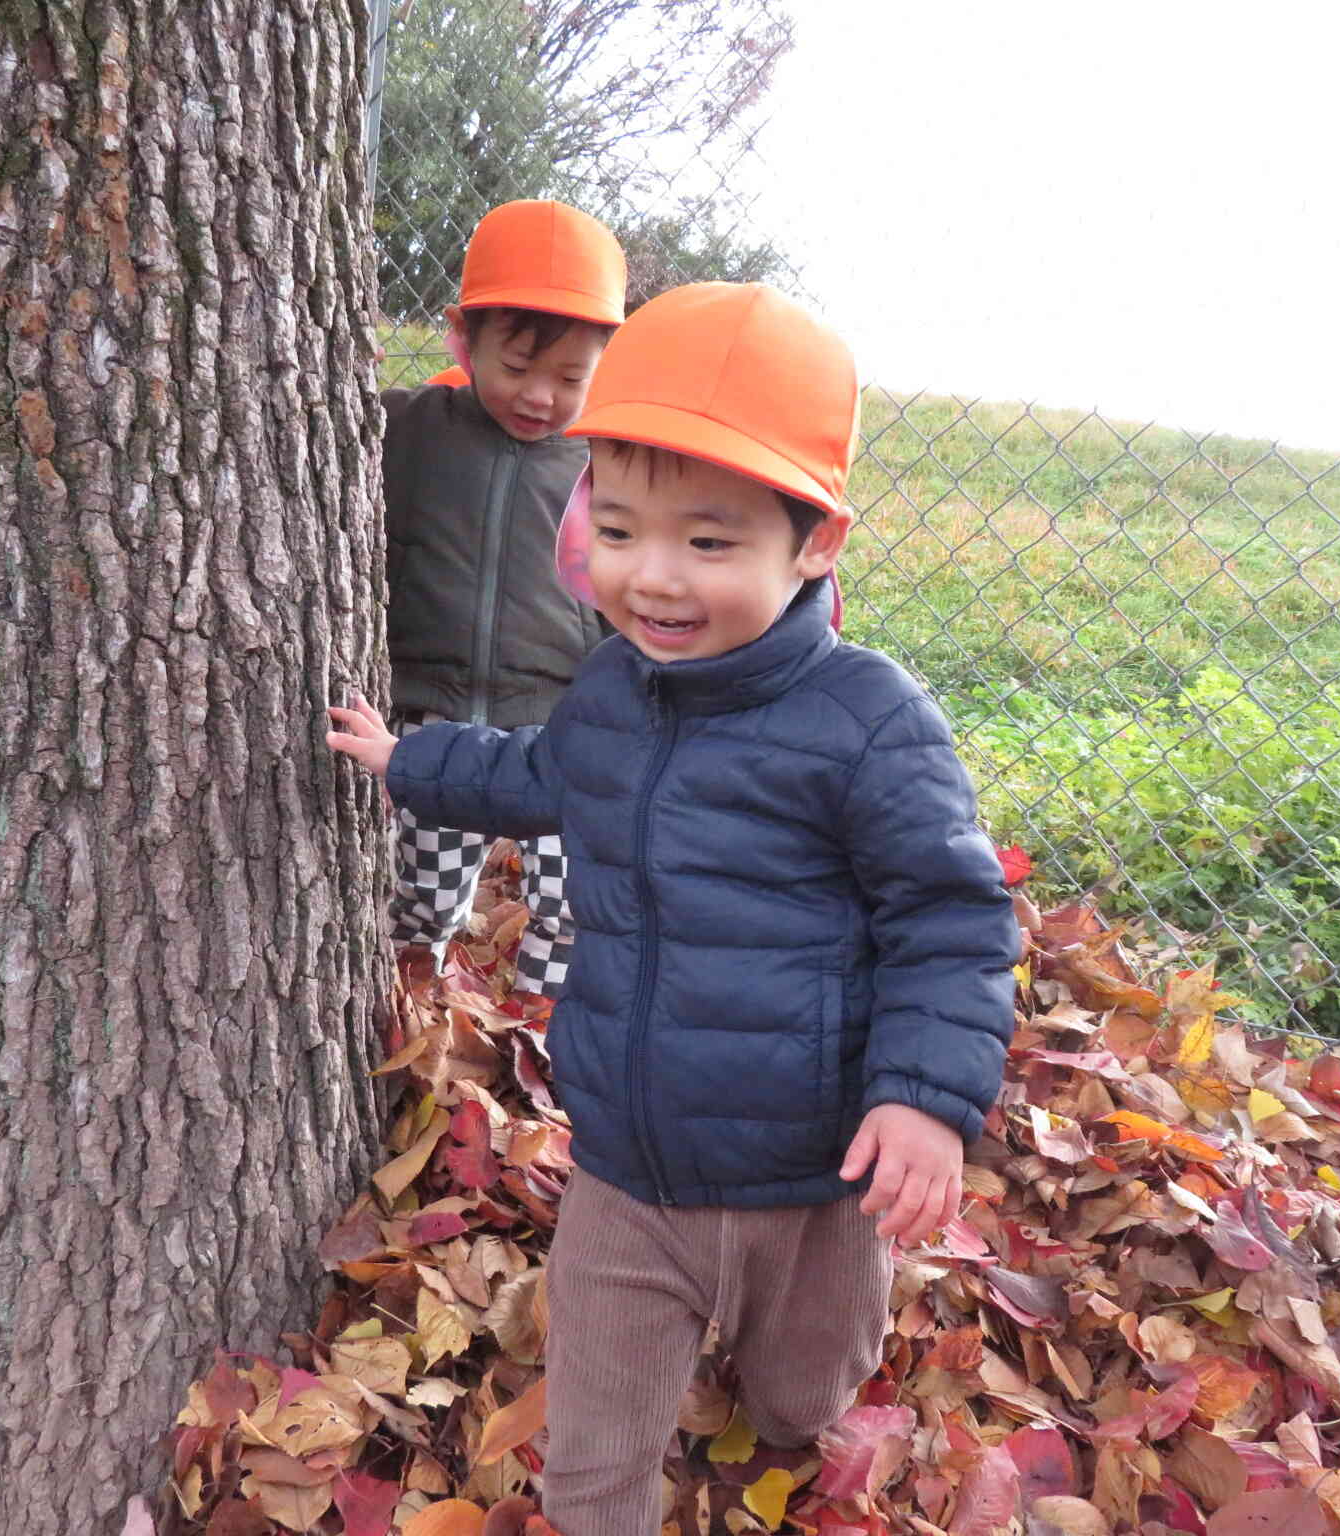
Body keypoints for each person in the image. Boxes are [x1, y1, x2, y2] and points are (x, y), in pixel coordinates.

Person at [329, 283, 1019, 1536]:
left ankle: (799, 1411)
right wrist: (407, 761)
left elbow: (950, 921)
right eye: (623, 529)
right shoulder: (610, 690)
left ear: (811, 544)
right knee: (595, 1441)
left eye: (707, 543)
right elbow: (537, 777)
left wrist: (924, 1099)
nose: (652, 579)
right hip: (627, 1159)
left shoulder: (866, 723)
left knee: (801, 1395)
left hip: (808, 1172)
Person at [381, 199, 625, 998]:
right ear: (462, 337)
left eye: (569, 378)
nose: (539, 396)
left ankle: (538, 1034)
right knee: (420, 902)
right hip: (435, 721)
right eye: (517, 366)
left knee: (571, 902)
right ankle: (420, 1022)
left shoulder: (611, 467)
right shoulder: (411, 429)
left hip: (561, 731)